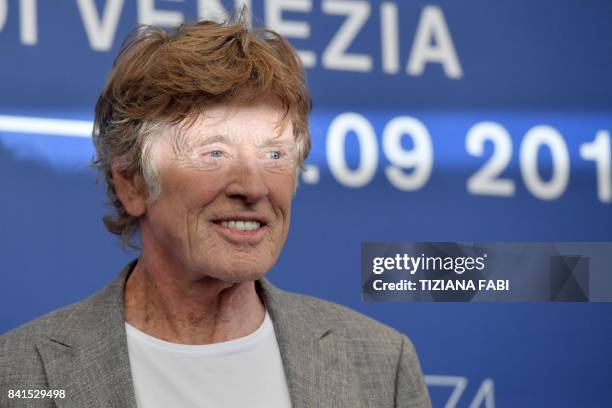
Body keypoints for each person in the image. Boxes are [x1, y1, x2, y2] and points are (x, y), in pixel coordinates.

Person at [0, 15, 431, 408]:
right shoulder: (19, 374)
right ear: (132, 182)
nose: (253, 186)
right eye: (214, 152)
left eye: (275, 154)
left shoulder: (380, 365)